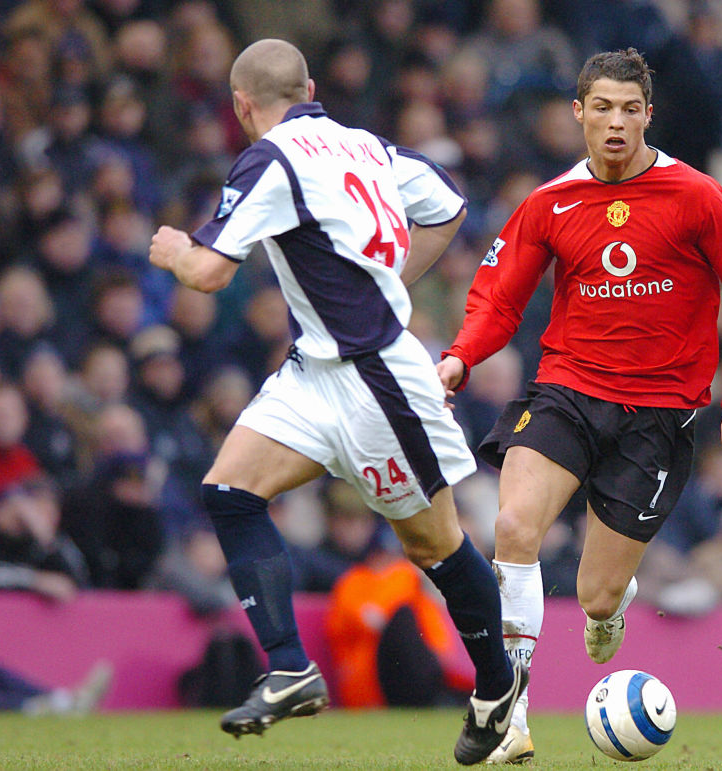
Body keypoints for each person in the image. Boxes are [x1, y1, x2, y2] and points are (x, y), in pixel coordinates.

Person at [147, 39, 523, 765]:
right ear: (312, 86)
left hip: (378, 380)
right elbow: (447, 206)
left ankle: (498, 687)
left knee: (433, 545)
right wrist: (395, 280)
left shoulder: (272, 158)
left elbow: (207, 274)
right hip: (315, 368)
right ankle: (290, 667)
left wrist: (169, 248)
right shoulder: (366, 146)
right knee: (230, 489)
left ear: (240, 106)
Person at [436, 48, 722, 763]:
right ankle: (511, 712)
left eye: (630, 109)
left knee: (595, 595)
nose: (616, 123)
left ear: (648, 115)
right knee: (513, 525)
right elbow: (500, 297)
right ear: (578, 115)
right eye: (602, 109)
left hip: (658, 414)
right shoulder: (548, 202)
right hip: (567, 390)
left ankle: (612, 606)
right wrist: (461, 355)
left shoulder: (696, 196)